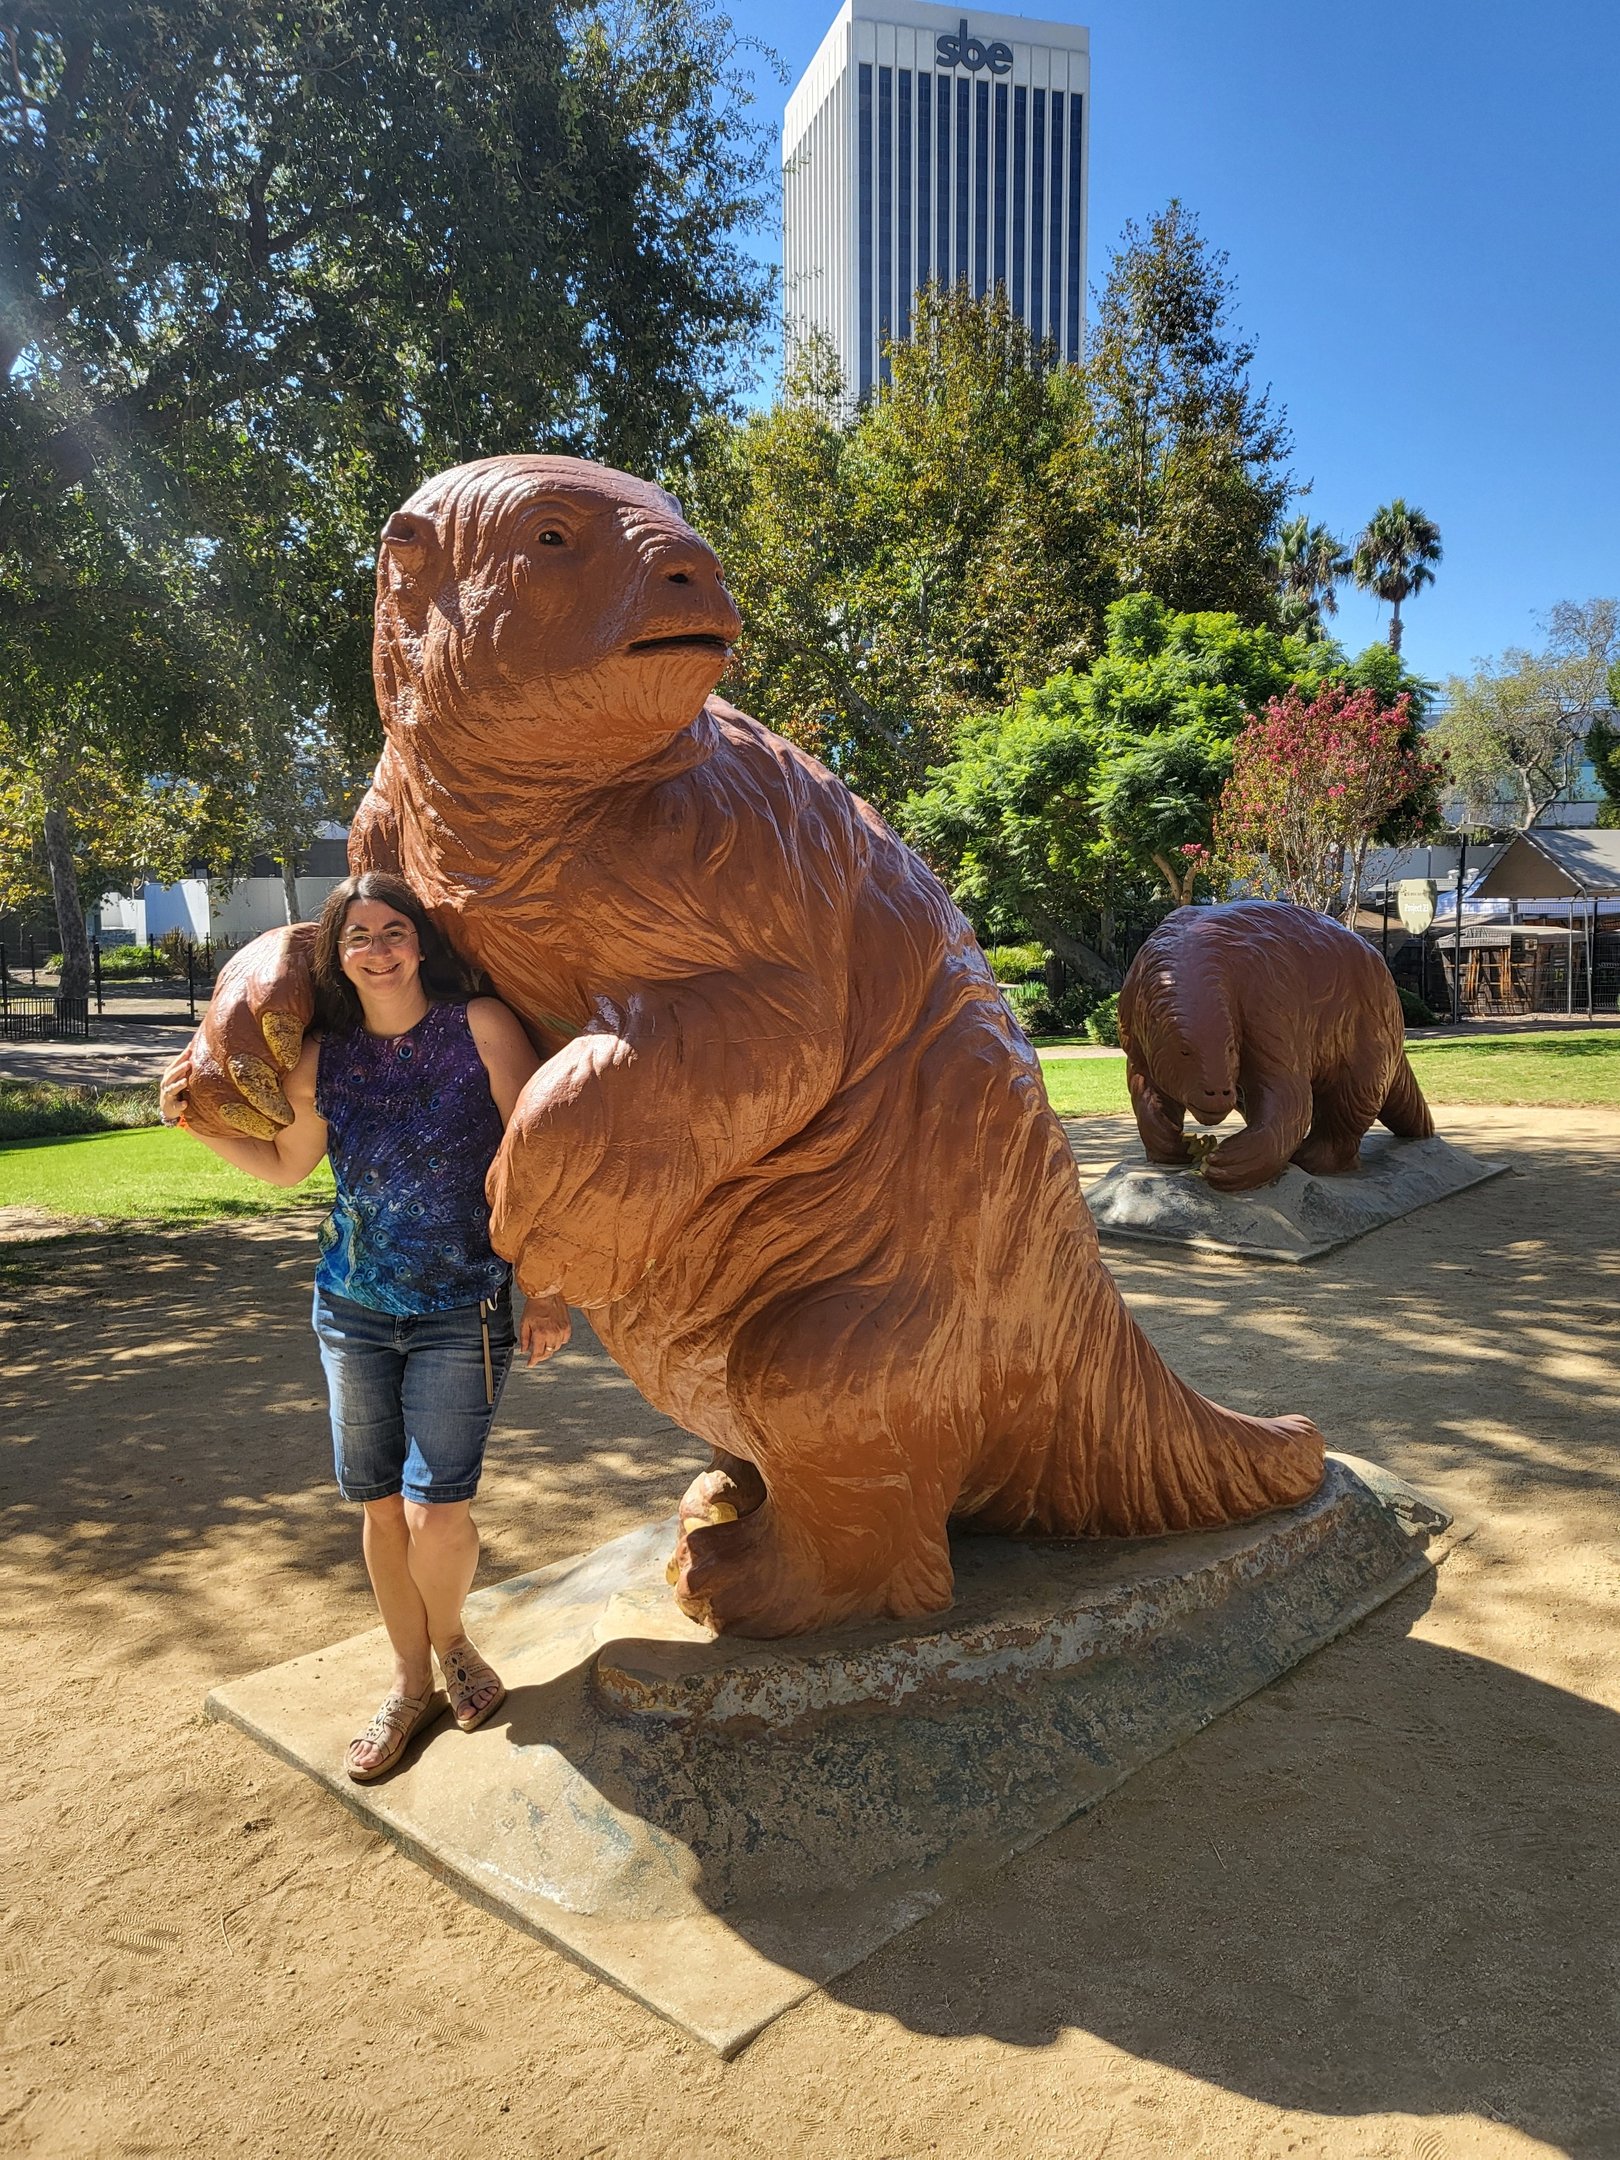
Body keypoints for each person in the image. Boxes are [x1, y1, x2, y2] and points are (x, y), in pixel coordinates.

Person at [161, 872, 569, 1782]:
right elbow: (286, 1165)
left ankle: (454, 1644)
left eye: (394, 930)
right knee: (380, 1504)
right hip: (351, 1308)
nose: (378, 949)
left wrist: (547, 1291)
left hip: (463, 1308)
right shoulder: (323, 1058)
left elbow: (540, 1163)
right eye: (358, 937)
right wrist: (191, 1122)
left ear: (420, 944)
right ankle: (406, 1679)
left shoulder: (482, 1028)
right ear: (338, 957)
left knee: (439, 1504)